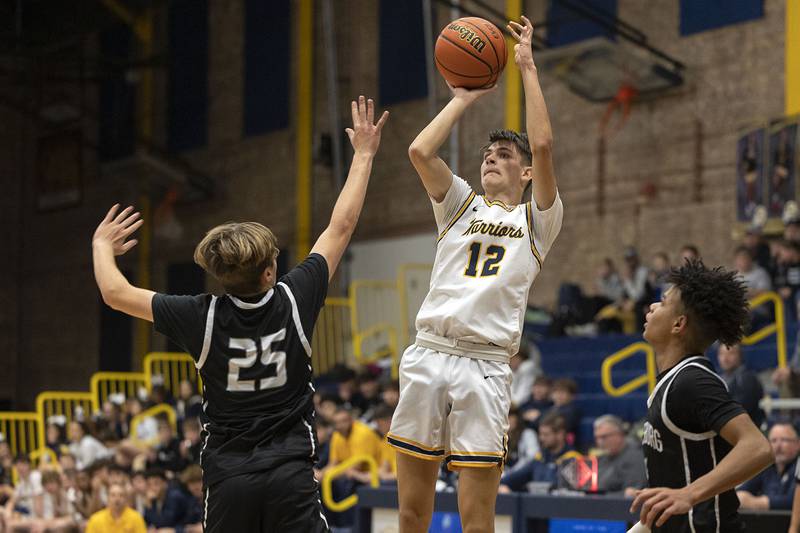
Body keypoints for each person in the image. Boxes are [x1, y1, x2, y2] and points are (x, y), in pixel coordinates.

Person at [91, 95, 389, 532]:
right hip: (291, 472)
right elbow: (340, 226)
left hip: (229, 476)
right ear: (270, 271)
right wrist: (363, 155)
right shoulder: (294, 297)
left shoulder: (200, 316)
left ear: (219, 277)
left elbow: (115, 292)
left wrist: (101, 245)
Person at [387, 16, 563, 533]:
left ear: (525, 173)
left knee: (476, 516)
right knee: (411, 512)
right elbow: (420, 151)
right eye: (487, 154)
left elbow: (546, 145)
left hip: (485, 366)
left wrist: (526, 67)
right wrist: (463, 97)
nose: (491, 159)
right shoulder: (460, 205)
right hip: (429, 352)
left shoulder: (537, 220)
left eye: (504, 155)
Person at [631, 260, 773, 532]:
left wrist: (690, 494)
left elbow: (758, 448)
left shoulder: (693, 381)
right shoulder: (671, 382)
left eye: (662, 302)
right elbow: (676, 483)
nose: (652, 306)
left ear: (678, 324)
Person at [497, 413, 578, 493]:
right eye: (540, 434)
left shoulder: (574, 459)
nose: (541, 438)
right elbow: (516, 477)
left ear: (560, 434)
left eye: (546, 435)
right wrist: (499, 484)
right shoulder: (540, 458)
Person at [736, 421, 799, 510]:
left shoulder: (798, 467)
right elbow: (741, 493)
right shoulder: (766, 467)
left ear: (797, 444)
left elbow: (794, 501)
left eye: (784, 440)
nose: (778, 446)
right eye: (773, 440)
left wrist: (757, 503)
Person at [591, 415, 646, 496]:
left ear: (620, 434)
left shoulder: (636, 457)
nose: (600, 443)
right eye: (597, 438)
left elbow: (632, 494)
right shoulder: (602, 458)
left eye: (604, 437)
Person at [716, 343, 764, 427]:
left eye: (730, 353)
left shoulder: (747, 378)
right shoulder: (719, 378)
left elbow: (740, 409)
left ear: (740, 355)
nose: (725, 358)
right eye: (721, 354)